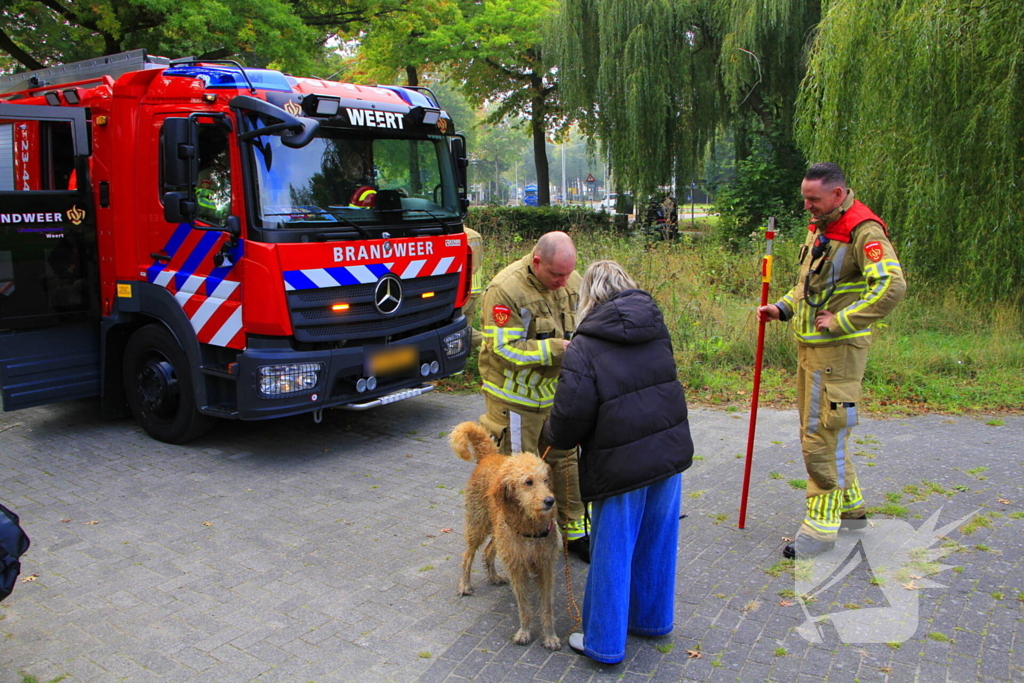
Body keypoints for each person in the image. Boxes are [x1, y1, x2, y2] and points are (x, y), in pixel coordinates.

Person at [542, 260, 694, 664]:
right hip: (668, 454)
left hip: (620, 464)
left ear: (589, 296)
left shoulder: (587, 343)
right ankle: (651, 621)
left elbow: (570, 418)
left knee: (613, 550)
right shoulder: (655, 326)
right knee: (657, 541)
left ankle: (604, 644)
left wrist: (553, 439)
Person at [758, 162, 907, 559]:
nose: (807, 206)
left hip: (837, 354)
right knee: (829, 431)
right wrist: (783, 308)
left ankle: (820, 529)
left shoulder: (864, 231)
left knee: (821, 436)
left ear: (838, 195)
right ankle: (851, 507)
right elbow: (808, 285)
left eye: (814, 199)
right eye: (805, 198)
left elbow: (892, 285)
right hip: (811, 350)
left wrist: (842, 320)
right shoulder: (822, 228)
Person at [477, 231, 589, 561]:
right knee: (519, 479)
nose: (564, 281)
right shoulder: (505, 289)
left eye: (568, 273)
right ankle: (517, 542)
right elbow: (504, 348)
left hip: (554, 399)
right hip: (514, 403)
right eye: (556, 274)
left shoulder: (572, 281)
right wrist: (557, 349)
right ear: (537, 261)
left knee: (565, 464)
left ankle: (576, 535)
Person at [462, 227, 484, 350]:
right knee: (465, 327)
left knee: (457, 329)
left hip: (463, 291)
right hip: (474, 289)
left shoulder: (458, 236)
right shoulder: (475, 235)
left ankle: (492, 341)